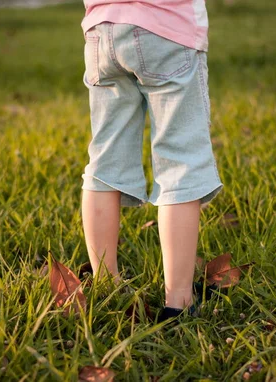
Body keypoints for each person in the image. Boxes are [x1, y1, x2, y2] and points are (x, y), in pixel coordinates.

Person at [80, 0, 223, 321]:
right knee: (180, 162)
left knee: (104, 160)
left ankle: (106, 285)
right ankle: (179, 300)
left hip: (102, 31)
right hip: (168, 29)